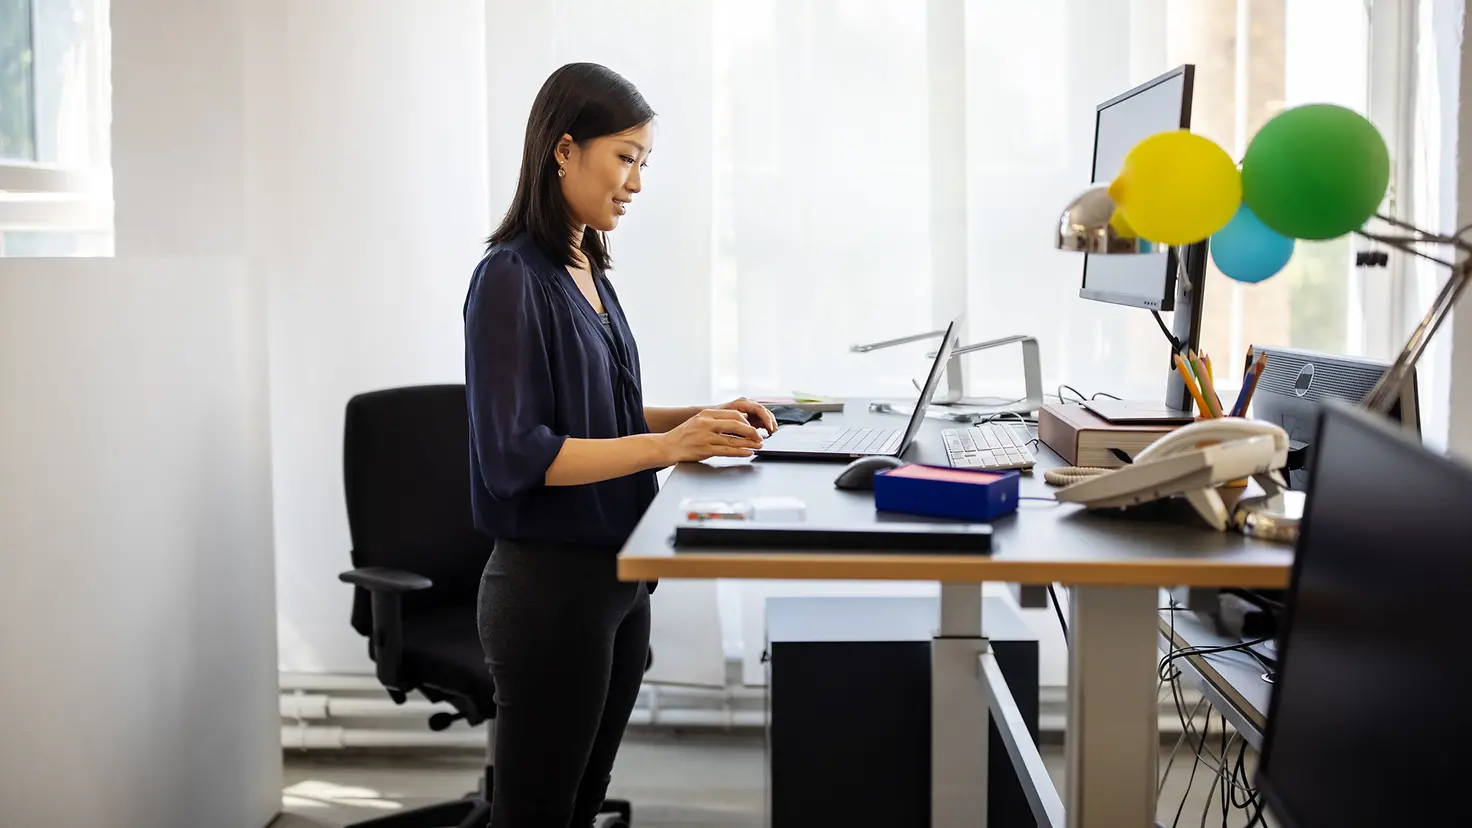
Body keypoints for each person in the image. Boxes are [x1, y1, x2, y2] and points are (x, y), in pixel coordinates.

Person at [464, 62, 778, 827]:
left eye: (644, 163)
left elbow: (606, 414)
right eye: (625, 157)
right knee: (537, 816)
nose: (636, 181)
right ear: (564, 151)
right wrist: (673, 449)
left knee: (581, 807)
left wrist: (697, 419)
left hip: (615, 581)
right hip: (549, 593)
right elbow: (519, 454)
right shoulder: (510, 277)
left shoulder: (587, 268)